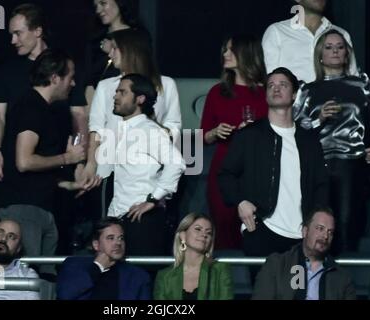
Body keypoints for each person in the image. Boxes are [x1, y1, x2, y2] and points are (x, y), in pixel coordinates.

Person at [218, 67, 329, 281]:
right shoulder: (249, 135)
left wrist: (316, 224)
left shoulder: (309, 140)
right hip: (262, 230)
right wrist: (240, 202)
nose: (276, 89)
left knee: (299, 293)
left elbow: (321, 185)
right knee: (265, 293)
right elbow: (226, 175)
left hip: (301, 236)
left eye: (283, 85)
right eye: (271, 85)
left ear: (295, 94)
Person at [62, 73, 185, 255]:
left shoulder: (149, 131)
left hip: (143, 220)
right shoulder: (127, 132)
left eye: (122, 92)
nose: (115, 96)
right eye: (116, 91)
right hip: (122, 219)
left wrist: (152, 199)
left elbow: (177, 163)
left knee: (141, 277)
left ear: (140, 99)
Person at [0, 49, 85, 276]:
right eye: (70, 77)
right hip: (25, 207)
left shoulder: (43, 109)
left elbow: (36, 171)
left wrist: (67, 185)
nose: (73, 83)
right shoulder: (31, 107)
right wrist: (68, 158)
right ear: (55, 78)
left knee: (45, 279)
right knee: (27, 277)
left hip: (40, 206)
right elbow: (24, 162)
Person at [293, 29, 370, 252]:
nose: (335, 51)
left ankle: (345, 276)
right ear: (320, 55)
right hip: (318, 162)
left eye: (339, 47)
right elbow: (296, 128)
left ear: (346, 53)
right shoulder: (308, 90)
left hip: (352, 162)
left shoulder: (362, 85)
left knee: (347, 222)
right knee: (319, 223)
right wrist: (319, 118)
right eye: (328, 47)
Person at [0, 3, 88, 183]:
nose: (13, 41)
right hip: (20, 168)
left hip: (59, 167)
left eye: (18, 33)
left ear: (37, 31)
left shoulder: (64, 66)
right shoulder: (6, 71)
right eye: (11, 34)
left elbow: (79, 116)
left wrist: (79, 160)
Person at [81, 28, 181, 194]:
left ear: (130, 50)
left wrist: (153, 128)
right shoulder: (106, 86)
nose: (110, 54)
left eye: (115, 48)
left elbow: (173, 124)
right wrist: (91, 164)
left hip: (148, 172)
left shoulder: (165, 84)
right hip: (110, 169)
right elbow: (96, 128)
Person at [201, 34, 268, 249]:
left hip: (257, 171)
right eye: (225, 49)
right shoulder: (217, 92)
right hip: (223, 170)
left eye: (231, 50)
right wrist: (216, 131)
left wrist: (253, 131)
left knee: (255, 235)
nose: (225, 54)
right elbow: (203, 135)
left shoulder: (266, 92)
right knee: (223, 233)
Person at [252, 207, 356, 300]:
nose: (325, 236)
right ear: (305, 231)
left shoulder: (342, 277)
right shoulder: (277, 265)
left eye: (330, 232)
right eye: (320, 228)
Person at [262, 0, 357, 83]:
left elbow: (353, 78)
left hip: (334, 100)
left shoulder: (341, 34)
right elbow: (269, 80)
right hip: (294, 102)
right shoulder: (277, 32)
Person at [56, 217, 151, 300]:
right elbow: (65, 295)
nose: (118, 243)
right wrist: (97, 267)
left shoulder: (138, 276)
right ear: (96, 245)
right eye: (110, 238)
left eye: (121, 238)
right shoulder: (73, 265)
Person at [153, 213, 233, 300]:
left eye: (209, 233)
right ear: (183, 236)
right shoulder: (165, 276)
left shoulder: (220, 270)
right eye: (198, 229)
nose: (204, 235)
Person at [85, 0, 142, 105]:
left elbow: (142, 67)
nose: (98, 10)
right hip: (100, 100)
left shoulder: (138, 35)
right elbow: (88, 75)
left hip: (131, 99)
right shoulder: (95, 39)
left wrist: (114, 49)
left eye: (103, 3)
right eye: (96, 6)